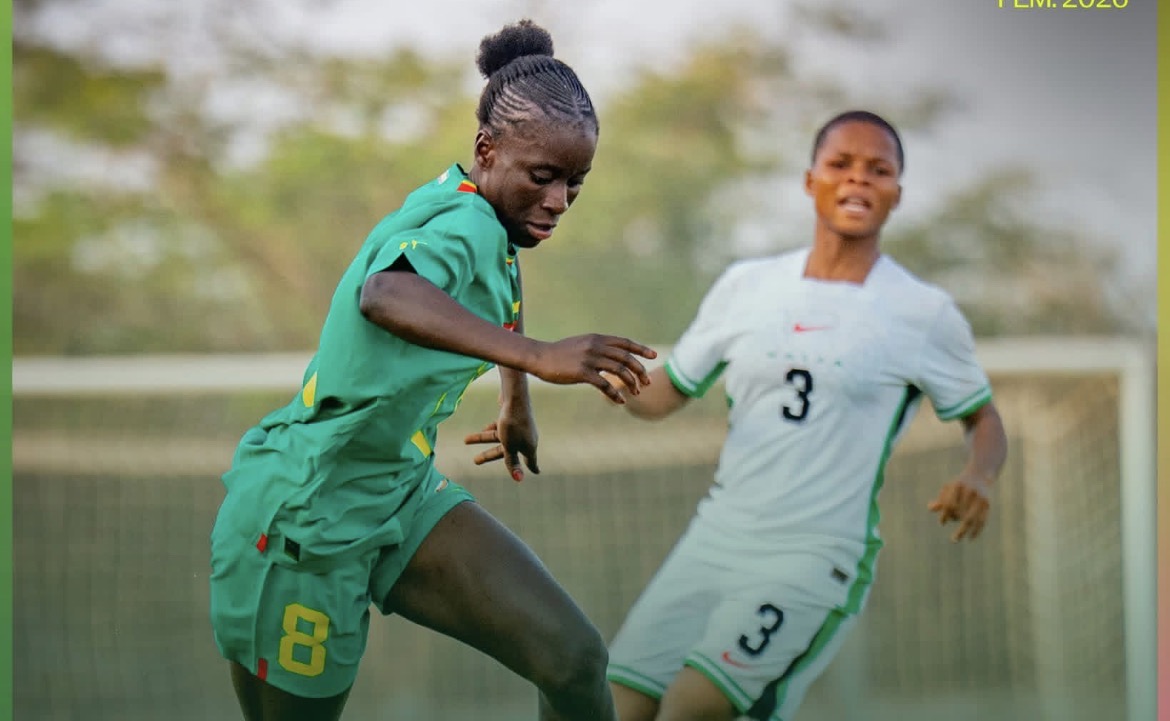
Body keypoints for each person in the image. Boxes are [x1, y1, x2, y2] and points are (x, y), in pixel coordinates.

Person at [209, 19, 656, 721]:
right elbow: (385, 293)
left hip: (399, 490)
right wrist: (538, 356)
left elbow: (501, 284)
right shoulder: (463, 223)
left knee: (574, 660)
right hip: (311, 510)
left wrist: (516, 399)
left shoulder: (486, 217)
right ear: (488, 149)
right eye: (544, 177)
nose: (560, 201)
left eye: (576, 182)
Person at [598, 110, 1008, 721]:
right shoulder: (747, 286)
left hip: (813, 556)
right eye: (840, 164)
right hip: (716, 539)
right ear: (810, 179)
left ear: (897, 192)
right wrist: (599, 371)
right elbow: (667, 393)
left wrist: (978, 475)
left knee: (690, 706)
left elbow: (985, 422)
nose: (857, 180)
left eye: (879, 170)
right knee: (617, 706)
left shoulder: (922, 312)